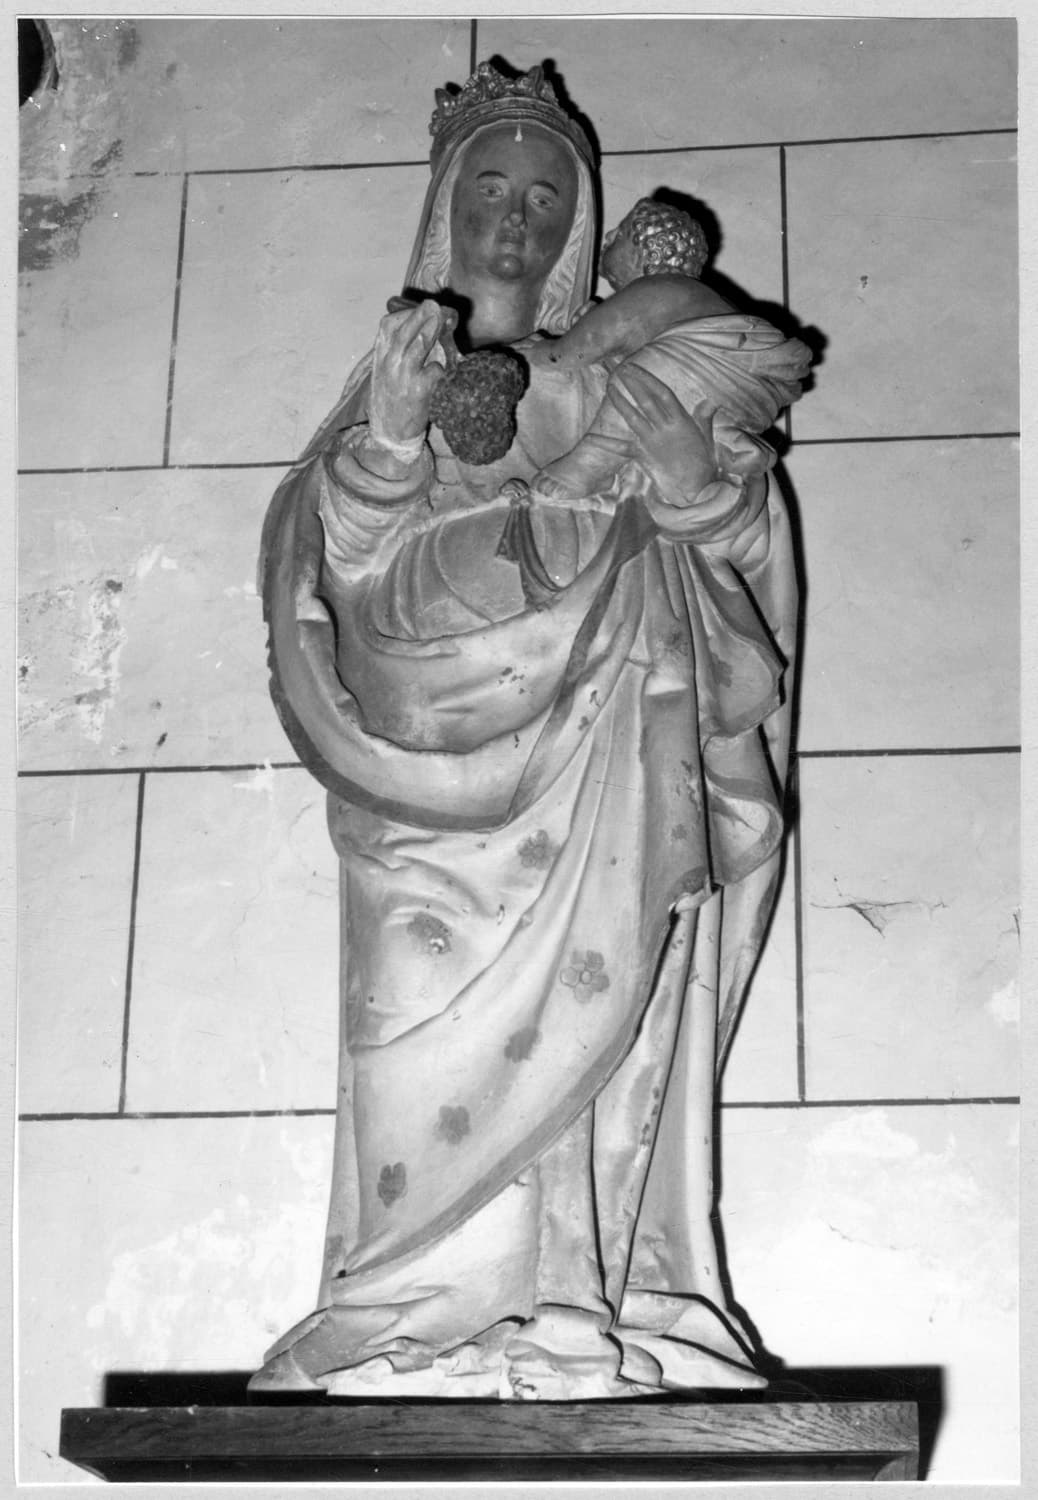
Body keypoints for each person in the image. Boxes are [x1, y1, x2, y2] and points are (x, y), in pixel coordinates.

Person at [254, 61, 802, 1401]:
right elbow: (325, 567)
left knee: (606, 993)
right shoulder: (396, 376)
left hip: (607, 738)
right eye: (490, 189)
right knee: (413, 1013)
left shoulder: (620, 376)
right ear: (445, 206)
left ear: (576, 226)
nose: (514, 219)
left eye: (545, 198)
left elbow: (740, 548)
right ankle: (407, 1305)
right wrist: (389, 444)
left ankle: (583, 1298)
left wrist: (693, 492)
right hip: (423, 774)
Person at [530, 196, 811, 516]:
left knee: (639, 379)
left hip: (712, 368)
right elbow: (621, 344)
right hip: (739, 388)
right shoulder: (679, 298)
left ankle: (592, 461)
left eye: (620, 235)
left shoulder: (654, 288)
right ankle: (727, 440)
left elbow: (583, 346)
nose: (608, 237)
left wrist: (545, 351)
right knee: (658, 378)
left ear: (649, 254)